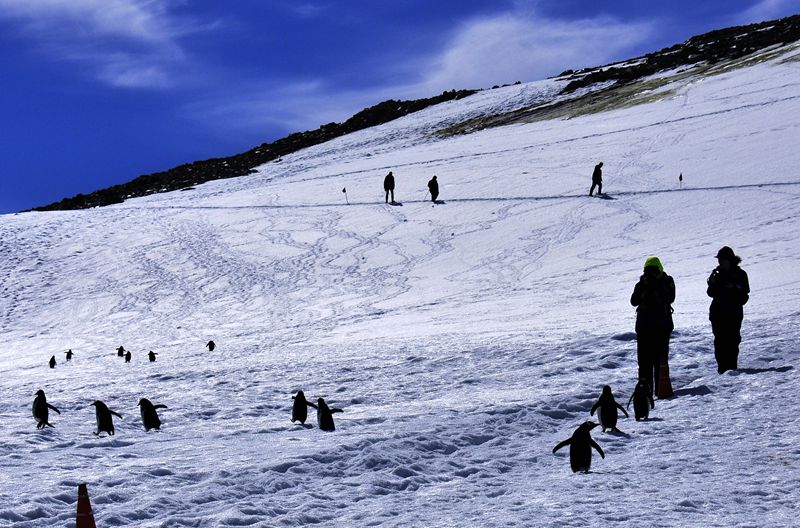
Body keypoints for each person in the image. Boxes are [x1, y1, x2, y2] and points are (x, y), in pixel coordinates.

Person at [630, 257, 675, 397]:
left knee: (660, 360)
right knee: (644, 362)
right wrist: (645, 288)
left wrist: (657, 288)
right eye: (647, 271)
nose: (650, 274)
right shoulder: (642, 283)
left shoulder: (667, 281)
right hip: (645, 327)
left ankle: (661, 390)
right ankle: (645, 393)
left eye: (652, 271)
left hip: (660, 327)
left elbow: (670, 298)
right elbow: (633, 301)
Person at [707, 246, 749, 373]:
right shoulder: (717, 273)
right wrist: (713, 283)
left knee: (732, 341)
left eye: (722, 260)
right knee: (720, 341)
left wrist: (734, 287)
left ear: (730, 260)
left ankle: (732, 367)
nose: (720, 262)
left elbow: (745, 292)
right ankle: (722, 369)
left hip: (733, 313)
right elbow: (710, 292)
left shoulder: (741, 274)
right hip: (718, 313)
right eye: (719, 260)